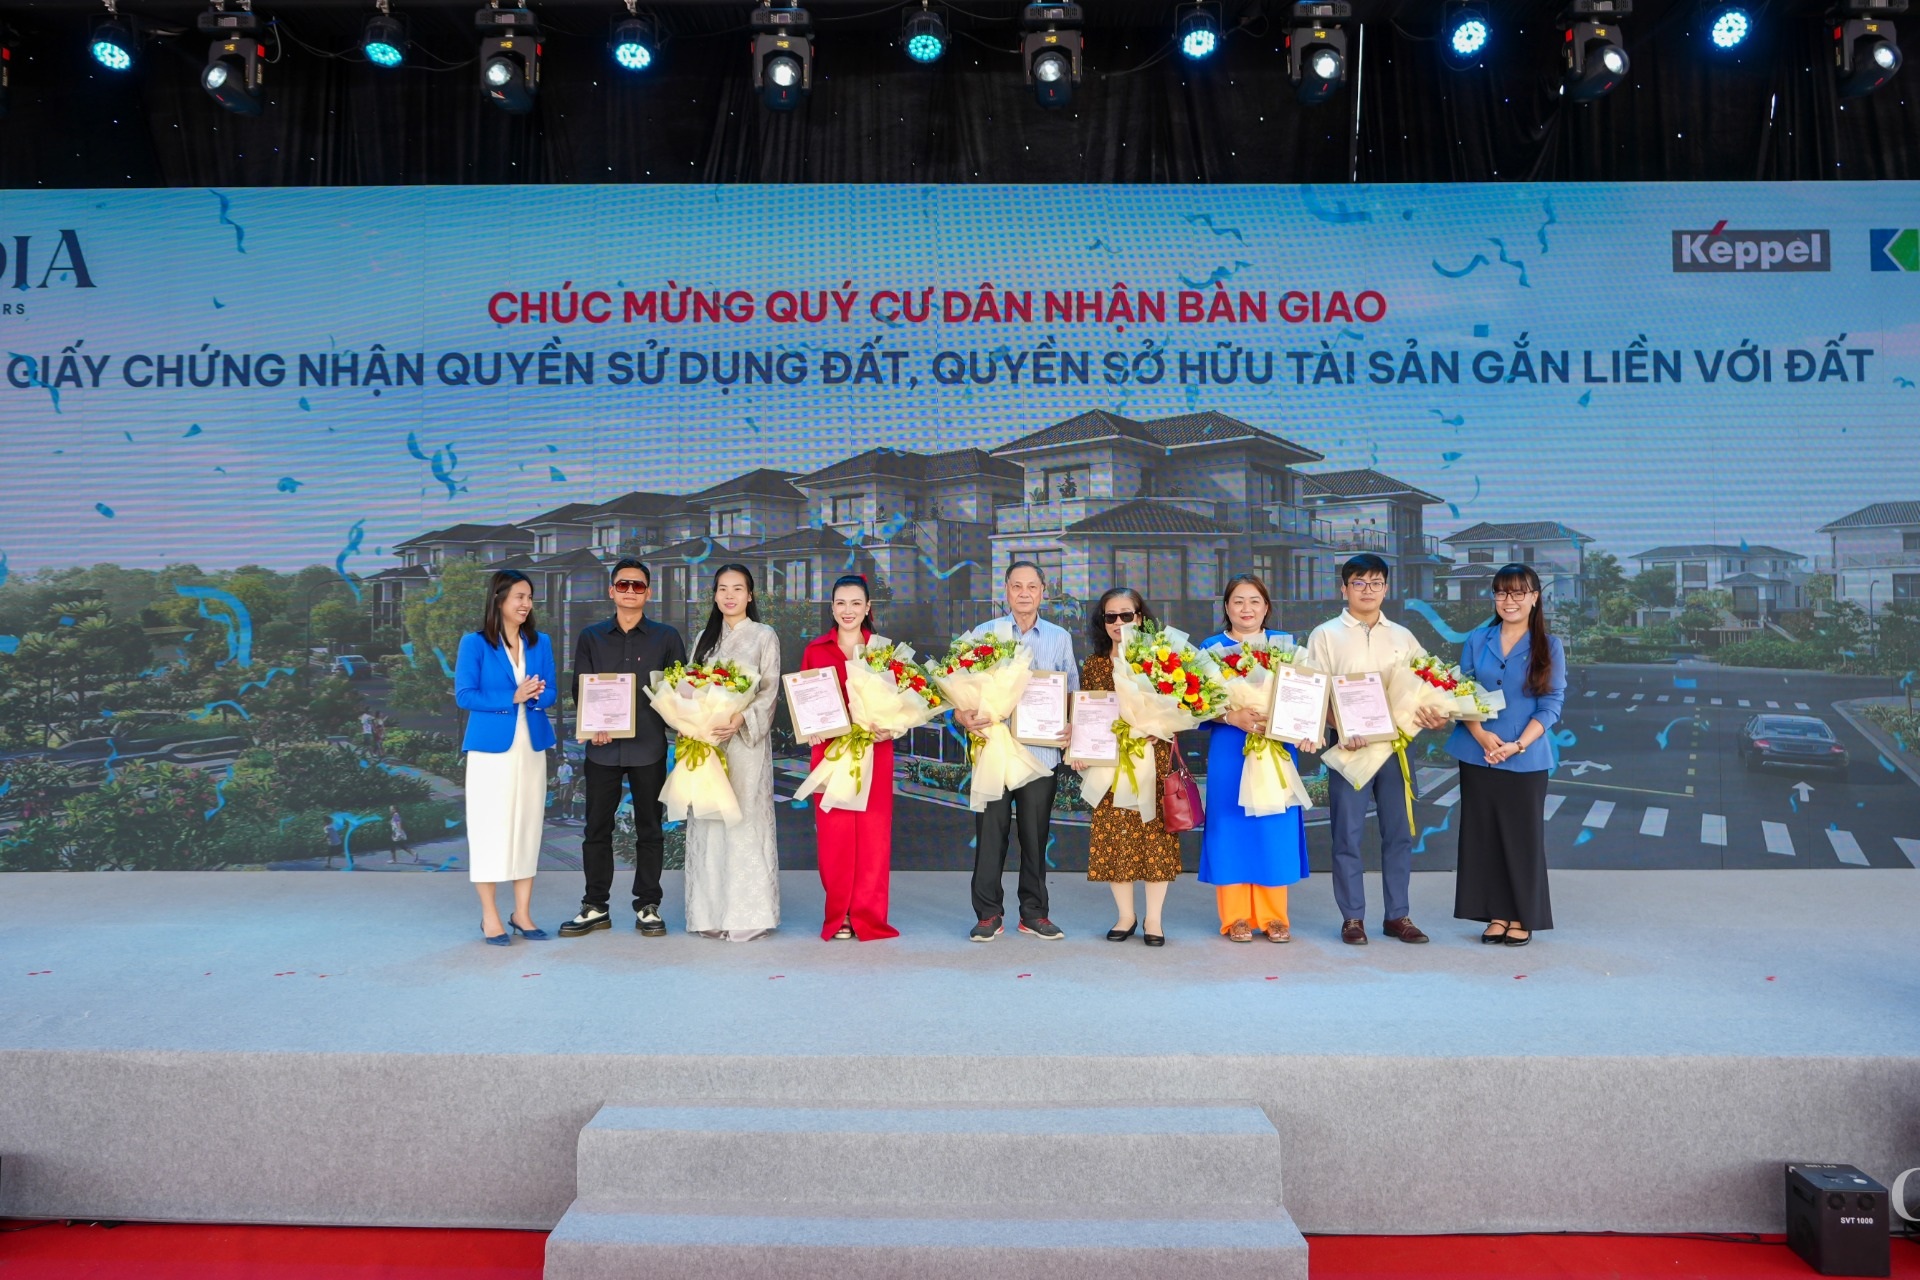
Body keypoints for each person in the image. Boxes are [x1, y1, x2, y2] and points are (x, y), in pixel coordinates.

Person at [1303, 554, 1451, 946]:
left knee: (1399, 835)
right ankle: (1352, 918)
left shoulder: (1403, 636)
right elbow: (1314, 694)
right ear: (1344, 588)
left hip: (1396, 749)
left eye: (1375, 583)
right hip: (1350, 749)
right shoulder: (1325, 635)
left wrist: (1437, 715)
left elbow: (1428, 686)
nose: (1367, 590)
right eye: (1358, 583)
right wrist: (1340, 726)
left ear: (1386, 588)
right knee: (1347, 835)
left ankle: (1398, 915)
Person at [560, 558, 688, 939]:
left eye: (638, 585)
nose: (630, 591)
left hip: (649, 748)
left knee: (650, 828)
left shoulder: (667, 637)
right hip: (602, 749)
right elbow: (581, 687)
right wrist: (593, 724)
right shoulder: (591, 637)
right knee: (596, 829)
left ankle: (648, 905)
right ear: (611, 591)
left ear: (648, 593)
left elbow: (679, 690)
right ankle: (595, 906)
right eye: (623, 584)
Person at [955, 560, 1076, 942]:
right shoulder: (985, 633)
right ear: (1005, 590)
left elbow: (1071, 689)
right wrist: (960, 713)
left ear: (1043, 591)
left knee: (1035, 837)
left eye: (1032, 586)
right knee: (990, 835)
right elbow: (961, 687)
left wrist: (1073, 723)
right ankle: (988, 914)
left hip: (1041, 753)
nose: (1024, 593)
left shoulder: (1059, 637)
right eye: (1017, 586)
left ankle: (1034, 913)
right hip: (995, 749)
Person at [1448, 564, 1566, 947]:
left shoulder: (1549, 645)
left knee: (1522, 838)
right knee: (1483, 836)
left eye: (1518, 592)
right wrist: (1481, 735)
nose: (1508, 600)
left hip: (1525, 757)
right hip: (1476, 753)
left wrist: (1518, 745)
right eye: (1501, 592)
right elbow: (1461, 692)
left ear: (1535, 597)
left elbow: (1551, 703)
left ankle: (1521, 916)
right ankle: (1497, 914)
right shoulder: (1477, 638)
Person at [1199, 574, 1312, 944]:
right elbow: (1194, 706)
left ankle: (1274, 917)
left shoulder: (1286, 647)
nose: (1246, 609)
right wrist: (1231, 716)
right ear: (1226, 607)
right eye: (1238, 601)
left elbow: (1305, 698)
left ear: (1266, 607)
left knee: (1272, 826)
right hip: (1230, 749)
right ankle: (1235, 917)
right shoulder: (1210, 648)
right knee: (1231, 826)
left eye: (1254, 601)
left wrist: (1305, 726)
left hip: (1275, 749)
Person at [454, 568, 559, 945]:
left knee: (527, 827)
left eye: (530, 598)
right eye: (519, 597)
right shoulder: (474, 643)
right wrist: (512, 697)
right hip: (490, 751)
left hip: (530, 748)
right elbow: (465, 695)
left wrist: (537, 694)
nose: (526, 604)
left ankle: (522, 914)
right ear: (499, 600)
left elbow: (551, 692)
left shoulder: (540, 642)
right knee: (489, 829)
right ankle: (490, 917)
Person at [1073, 588, 1180, 947]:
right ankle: (1125, 916)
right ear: (1102, 622)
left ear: (1140, 617)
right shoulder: (1094, 665)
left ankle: (1154, 919)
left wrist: (1159, 726)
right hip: (1110, 765)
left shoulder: (1160, 659)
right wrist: (1078, 747)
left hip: (1153, 759)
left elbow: (1182, 707)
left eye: (1126, 615)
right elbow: (1086, 714)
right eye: (1111, 616)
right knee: (1115, 838)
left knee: (1155, 839)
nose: (1118, 622)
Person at [683, 564, 781, 941]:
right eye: (722, 588)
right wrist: (692, 718)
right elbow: (688, 687)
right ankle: (709, 914)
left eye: (737, 588)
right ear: (714, 595)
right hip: (709, 742)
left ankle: (747, 915)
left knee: (745, 820)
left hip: (745, 745)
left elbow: (769, 690)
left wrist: (741, 717)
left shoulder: (764, 636)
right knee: (709, 823)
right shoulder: (703, 639)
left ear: (750, 595)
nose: (729, 595)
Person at [801, 575, 900, 942]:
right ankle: (840, 914)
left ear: (868, 607)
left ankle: (867, 916)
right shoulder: (815, 650)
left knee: (873, 837)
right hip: (831, 751)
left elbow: (903, 703)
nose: (848, 610)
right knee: (835, 836)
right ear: (832, 608)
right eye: (841, 603)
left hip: (876, 749)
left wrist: (893, 728)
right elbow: (805, 700)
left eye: (856, 603)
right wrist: (810, 728)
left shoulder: (882, 652)